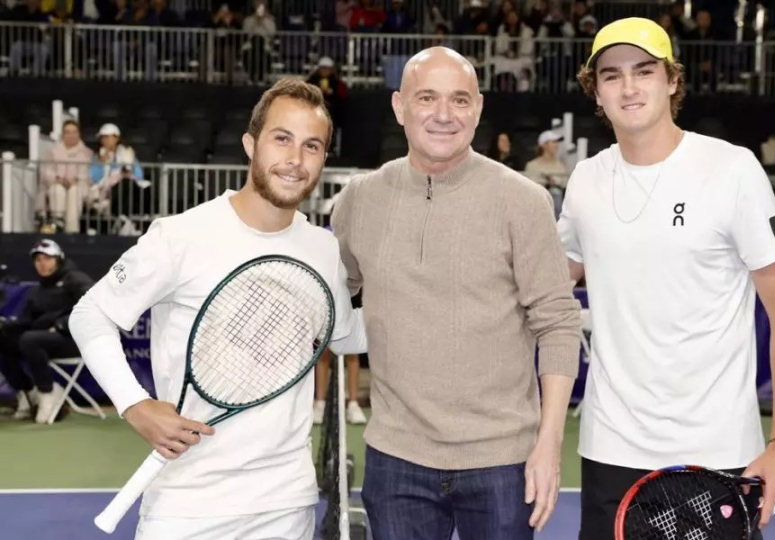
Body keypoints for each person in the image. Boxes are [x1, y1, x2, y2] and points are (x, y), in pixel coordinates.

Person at [68, 77, 367, 540]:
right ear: (251, 144)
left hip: (285, 507)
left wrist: (442, 307)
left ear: (324, 159)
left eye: (312, 146)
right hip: (187, 507)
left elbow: (345, 334)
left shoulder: (322, 251)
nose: (295, 159)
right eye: (281, 139)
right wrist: (135, 405)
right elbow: (91, 315)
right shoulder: (181, 236)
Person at [558, 18, 775, 540]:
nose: (628, 87)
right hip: (610, 449)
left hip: (717, 453)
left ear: (672, 81)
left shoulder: (732, 169)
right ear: (596, 93)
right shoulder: (585, 180)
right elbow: (552, 284)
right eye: (612, 75)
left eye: (643, 71)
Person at [331, 46, 583, 539]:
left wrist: (548, 444)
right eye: (427, 98)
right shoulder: (359, 200)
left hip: (502, 463)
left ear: (479, 108)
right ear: (400, 106)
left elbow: (557, 322)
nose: (444, 114)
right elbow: (328, 299)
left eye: (460, 100)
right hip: (396, 459)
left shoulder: (524, 201)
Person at [0, 239, 94, 423]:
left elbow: (94, 308)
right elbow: (25, 322)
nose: (42, 264)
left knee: (29, 339)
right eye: (38, 260)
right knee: (4, 339)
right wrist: (5, 326)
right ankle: (28, 392)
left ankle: (47, 391)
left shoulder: (75, 279)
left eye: (47, 258)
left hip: (75, 340)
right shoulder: (38, 291)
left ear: (58, 259)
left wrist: (62, 324)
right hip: (43, 340)